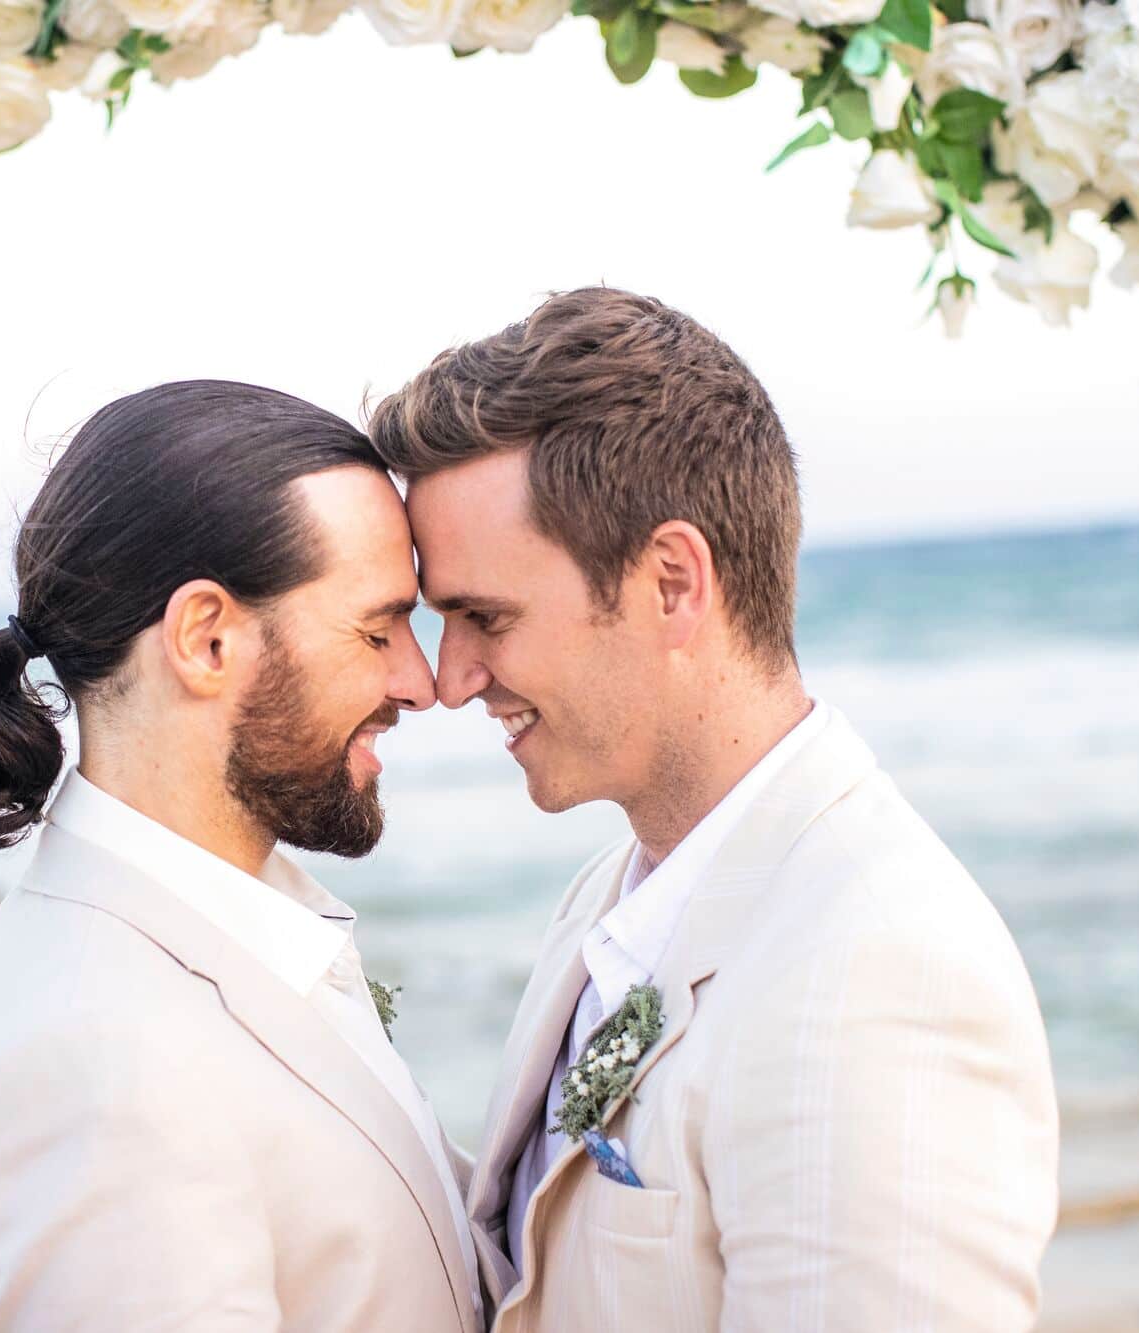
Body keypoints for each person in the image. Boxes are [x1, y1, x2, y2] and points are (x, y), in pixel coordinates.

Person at [369, 288, 1060, 1332]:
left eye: (484, 616)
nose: (452, 676)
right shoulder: (612, 894)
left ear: (670, 583)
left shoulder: (878, 974)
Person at [0, 379, 482, 1332]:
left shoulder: (226, 928)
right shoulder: (98, 1060)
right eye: (378, 628)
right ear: (207, 639)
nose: (419, 682)